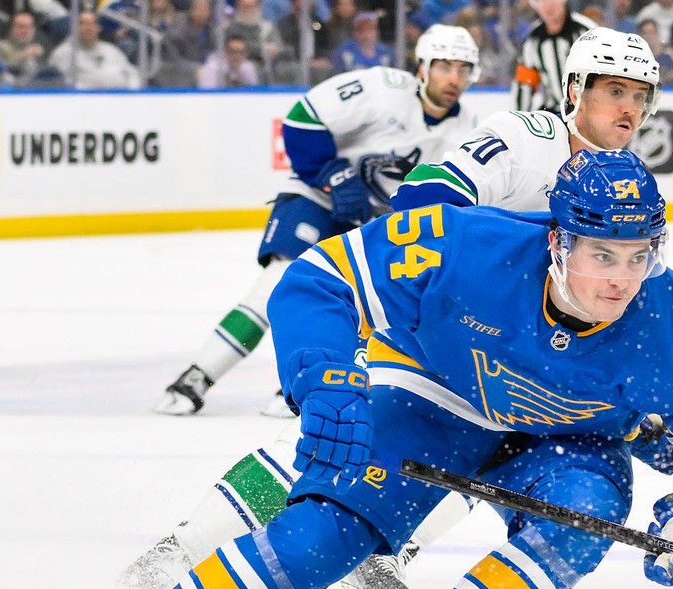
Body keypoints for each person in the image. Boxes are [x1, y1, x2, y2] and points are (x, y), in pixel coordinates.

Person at [47, 149, 673, 589]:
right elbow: (317, 279)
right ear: (557, 240)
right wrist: (326, 380)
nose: (621, 280)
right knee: (314, 541)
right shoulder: (465, 245)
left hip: (566, 441)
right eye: (601, 255)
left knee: (577, 523)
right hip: (439, 400)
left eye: (639, 256)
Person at [124, 27, 664, 589]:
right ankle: (180, 549)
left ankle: (389, 550)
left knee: (484, 450)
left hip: (496, 361)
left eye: (642, 96)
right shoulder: (527, 138)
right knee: (328, 442)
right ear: (575, 90)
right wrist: (505, 247)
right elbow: (425, 200)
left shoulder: (628, 183)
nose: (630, 109)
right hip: (426, 336)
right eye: (617, 91)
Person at [152, 24, 481, 417]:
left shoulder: (466, 132)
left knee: (359, 309)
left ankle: (301, 383)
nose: (454, 78)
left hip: (367, 221)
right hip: (316, 199)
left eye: (463, 69)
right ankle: (198, 376)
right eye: (445, 66)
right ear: (423, 67)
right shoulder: (383, 89)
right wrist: (333, 176)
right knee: (275, 286)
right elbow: (303, 118)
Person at [511, 0, 597, 113]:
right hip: (555, 112)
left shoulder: (587, 32)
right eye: (542, 1)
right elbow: (525, 84)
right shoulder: (533, 40)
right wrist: (520, 117)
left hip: (588, 111)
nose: (548, 5)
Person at [46, 10, 142, 90]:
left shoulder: (111, 50)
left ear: (98, 28)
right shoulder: (63, 53)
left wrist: (131, 94)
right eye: (83, 23)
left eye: (92, 23)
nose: (88, 28)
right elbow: (60, 82)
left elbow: (132, 74)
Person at [0, 12, 48, 88]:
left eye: (30, 27)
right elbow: (1, 72)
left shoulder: (40, 50)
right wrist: (24, 55)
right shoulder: (1, 47)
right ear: (11, 29)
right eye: (21, 27)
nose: (26, 31)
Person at [330, 10, 395, 74]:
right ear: (354, 32)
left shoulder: (386, 53)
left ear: (377, 31)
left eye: (370, 29)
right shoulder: (343, 52)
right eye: (361, 30)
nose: (366, 34)